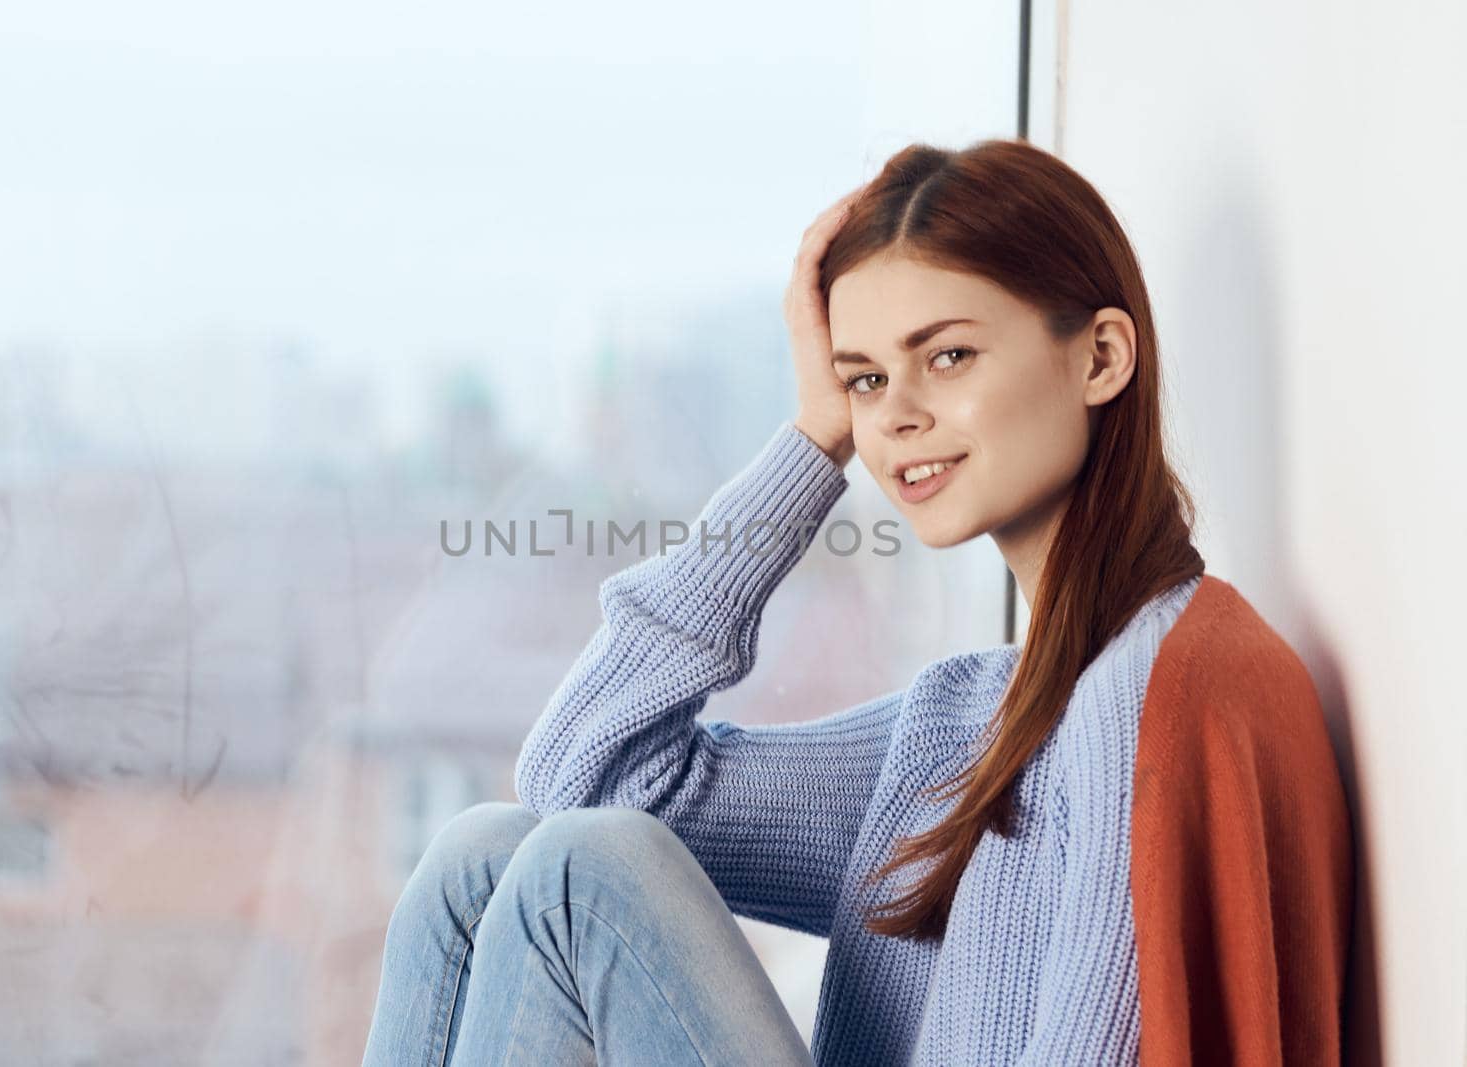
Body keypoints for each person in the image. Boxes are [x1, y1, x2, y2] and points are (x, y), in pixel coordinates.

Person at [360, 138, 1354, 1066]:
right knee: (479, 856)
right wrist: (811, 437)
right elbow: (585, 769)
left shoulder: (1147, 694)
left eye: (949, 355)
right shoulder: (965, 719)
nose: (897, 413)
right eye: (868, 378)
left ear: (1099, 357)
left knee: (584, 873)